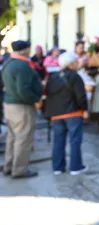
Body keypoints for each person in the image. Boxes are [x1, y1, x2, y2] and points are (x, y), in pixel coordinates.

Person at [1, 40, 42, 178]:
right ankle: (19, 169)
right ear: (25, 50)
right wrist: (35, 100)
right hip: (21, 106)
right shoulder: (22, 65)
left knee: (12, 137)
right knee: (23, 138)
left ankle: (9, 166)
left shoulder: (8, 63)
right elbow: (23, 90)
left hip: (9, 104)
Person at [44, 52, 89, 175]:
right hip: (73, 113)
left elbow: (48, 96)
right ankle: (75, 167)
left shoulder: (53, 77)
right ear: (71, 64)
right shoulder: (75, 76)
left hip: (56, 114)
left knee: (58, 141)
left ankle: (57, 168)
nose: (77, 63)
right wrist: (84, 109)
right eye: (75, 61)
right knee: (75, 141)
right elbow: (81, 97)